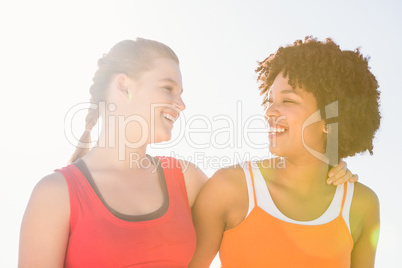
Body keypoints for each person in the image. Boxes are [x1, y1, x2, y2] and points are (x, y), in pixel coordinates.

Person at [19, 38, 356, 268]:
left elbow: (265, 203)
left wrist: (326, 168)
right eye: (168, 89)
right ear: (124, 85)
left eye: (181, 92)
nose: (180, 104)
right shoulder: (55, 195)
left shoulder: (187, 180)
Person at [189, 37, 380, 268]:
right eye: (269, 100)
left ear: (330, 118)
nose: (269, 111)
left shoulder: (362, 204)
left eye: (288, 100)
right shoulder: (228, 187)